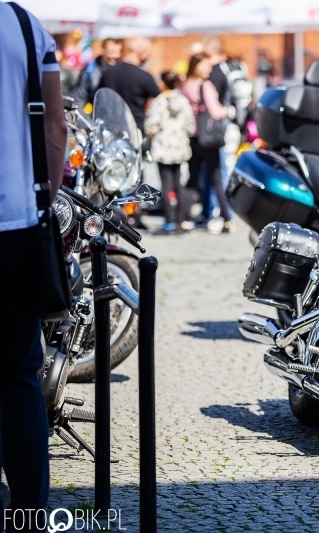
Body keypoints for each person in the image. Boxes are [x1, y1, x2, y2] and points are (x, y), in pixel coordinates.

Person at [0, 3, 67, 531]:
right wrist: (46, 200)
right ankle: (27, 514)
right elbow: (54, 126)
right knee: (20, 374)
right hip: (16, 222)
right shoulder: (25, 26)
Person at [181, 53, 234, 234]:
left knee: (193, 178)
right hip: (208, 139)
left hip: (192, 137)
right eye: (205, 66)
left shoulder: (185, 85)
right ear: (196, 66)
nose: (209, 70)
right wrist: (228, 109)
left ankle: (185, 218)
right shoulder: (206, 86)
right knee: (217, 179)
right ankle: (227, 218)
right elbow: (216, 112)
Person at [144, 71, 196, 234]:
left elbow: (151, 126)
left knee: (166, 185)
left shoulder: (158, 102)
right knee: (178, 183)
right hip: (179, 147)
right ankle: (181, 219)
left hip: (163, 148)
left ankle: (169, 221)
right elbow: (191, 126)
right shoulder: (183, 101)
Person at [98, 37, 160, 132]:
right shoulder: (144, 76)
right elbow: (160, 99)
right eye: (148, 54)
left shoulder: (108, 72)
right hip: (134, 130)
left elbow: (96, 96)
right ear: (141, 53)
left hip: (110, 129)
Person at [71, 37, 122, 114]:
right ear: (103, 50)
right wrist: (86, 122)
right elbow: (79, 97)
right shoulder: (91, 69)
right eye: (110, 56)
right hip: (94, 116)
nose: (112, 61)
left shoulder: (122, 71)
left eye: (116, 58)